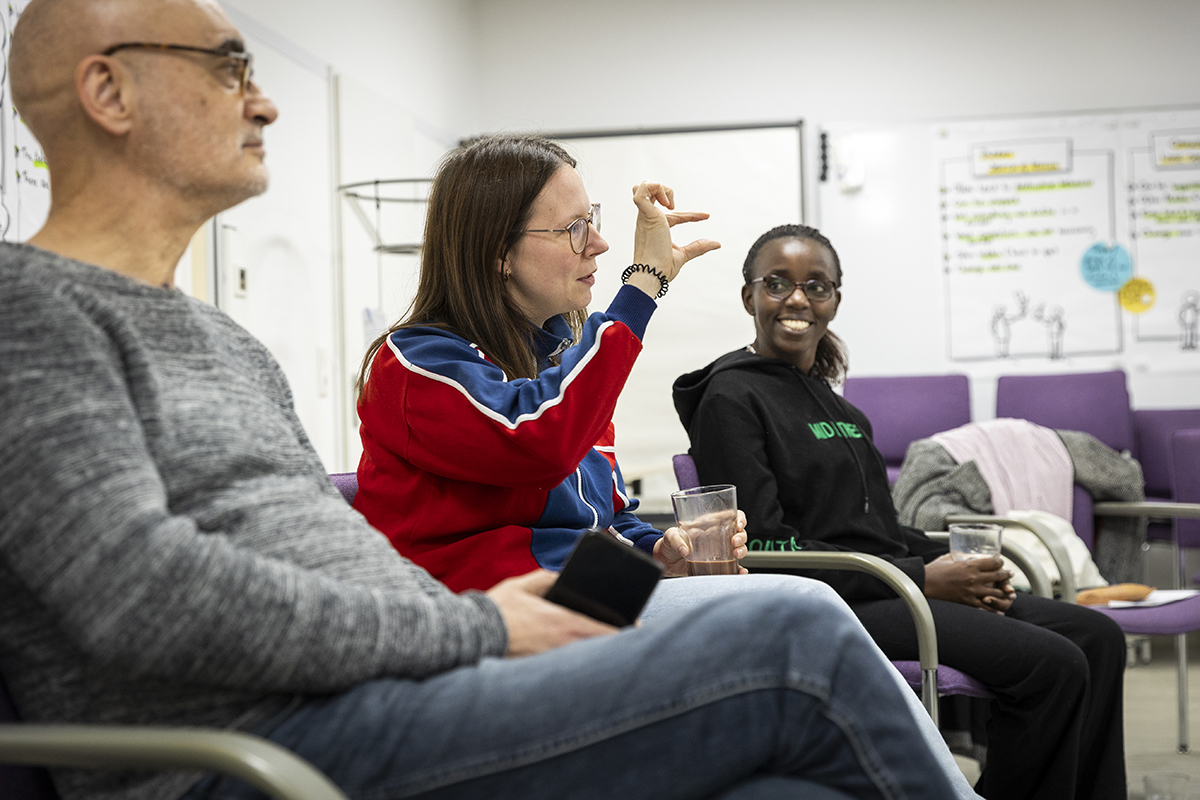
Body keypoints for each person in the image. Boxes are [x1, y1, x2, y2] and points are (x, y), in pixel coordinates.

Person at [0, 2, 968, 799]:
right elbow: (144, 596)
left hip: (396, 674)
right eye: (226, 67)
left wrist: (586, 589)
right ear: (107, 90)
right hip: (259, 741)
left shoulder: (228, 342)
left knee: (795, 788)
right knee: (797, 621)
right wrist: (479, 628)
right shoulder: (30, 312)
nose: (265, 105)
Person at [672, 223, 1129, 800]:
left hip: (889, 585)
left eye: (817, 286)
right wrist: (924, 577)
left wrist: (954, 559)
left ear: (835, 300)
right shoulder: (729, 399)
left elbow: (878, 531)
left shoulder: (843, 411)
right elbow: (764, 547)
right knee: (1052, 666)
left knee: (1097, 635)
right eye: (777, 284)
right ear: (749, 297)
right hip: (831, 603)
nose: (797, 299)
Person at [353, 135, 735, 592]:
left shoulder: (561, 365)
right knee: (795, 608)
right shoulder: (413, 367)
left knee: (782, 607)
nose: (599, 243)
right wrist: (643, 286)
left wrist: (658, 553)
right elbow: (538, 443)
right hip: (475, 621)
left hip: (583, 598)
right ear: (499, 252)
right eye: (574, 227)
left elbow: (603, 519)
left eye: (591, 220)